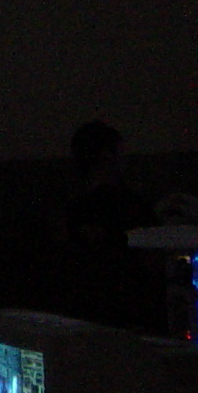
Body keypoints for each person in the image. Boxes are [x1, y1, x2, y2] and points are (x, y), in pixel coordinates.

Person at [60, 120, 157, 327]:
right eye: (121, 153)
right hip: (130, 314)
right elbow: (150, 261)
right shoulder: (131, 206)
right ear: (107, 155)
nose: (126, 160)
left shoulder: (72, 209)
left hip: (87, 316)